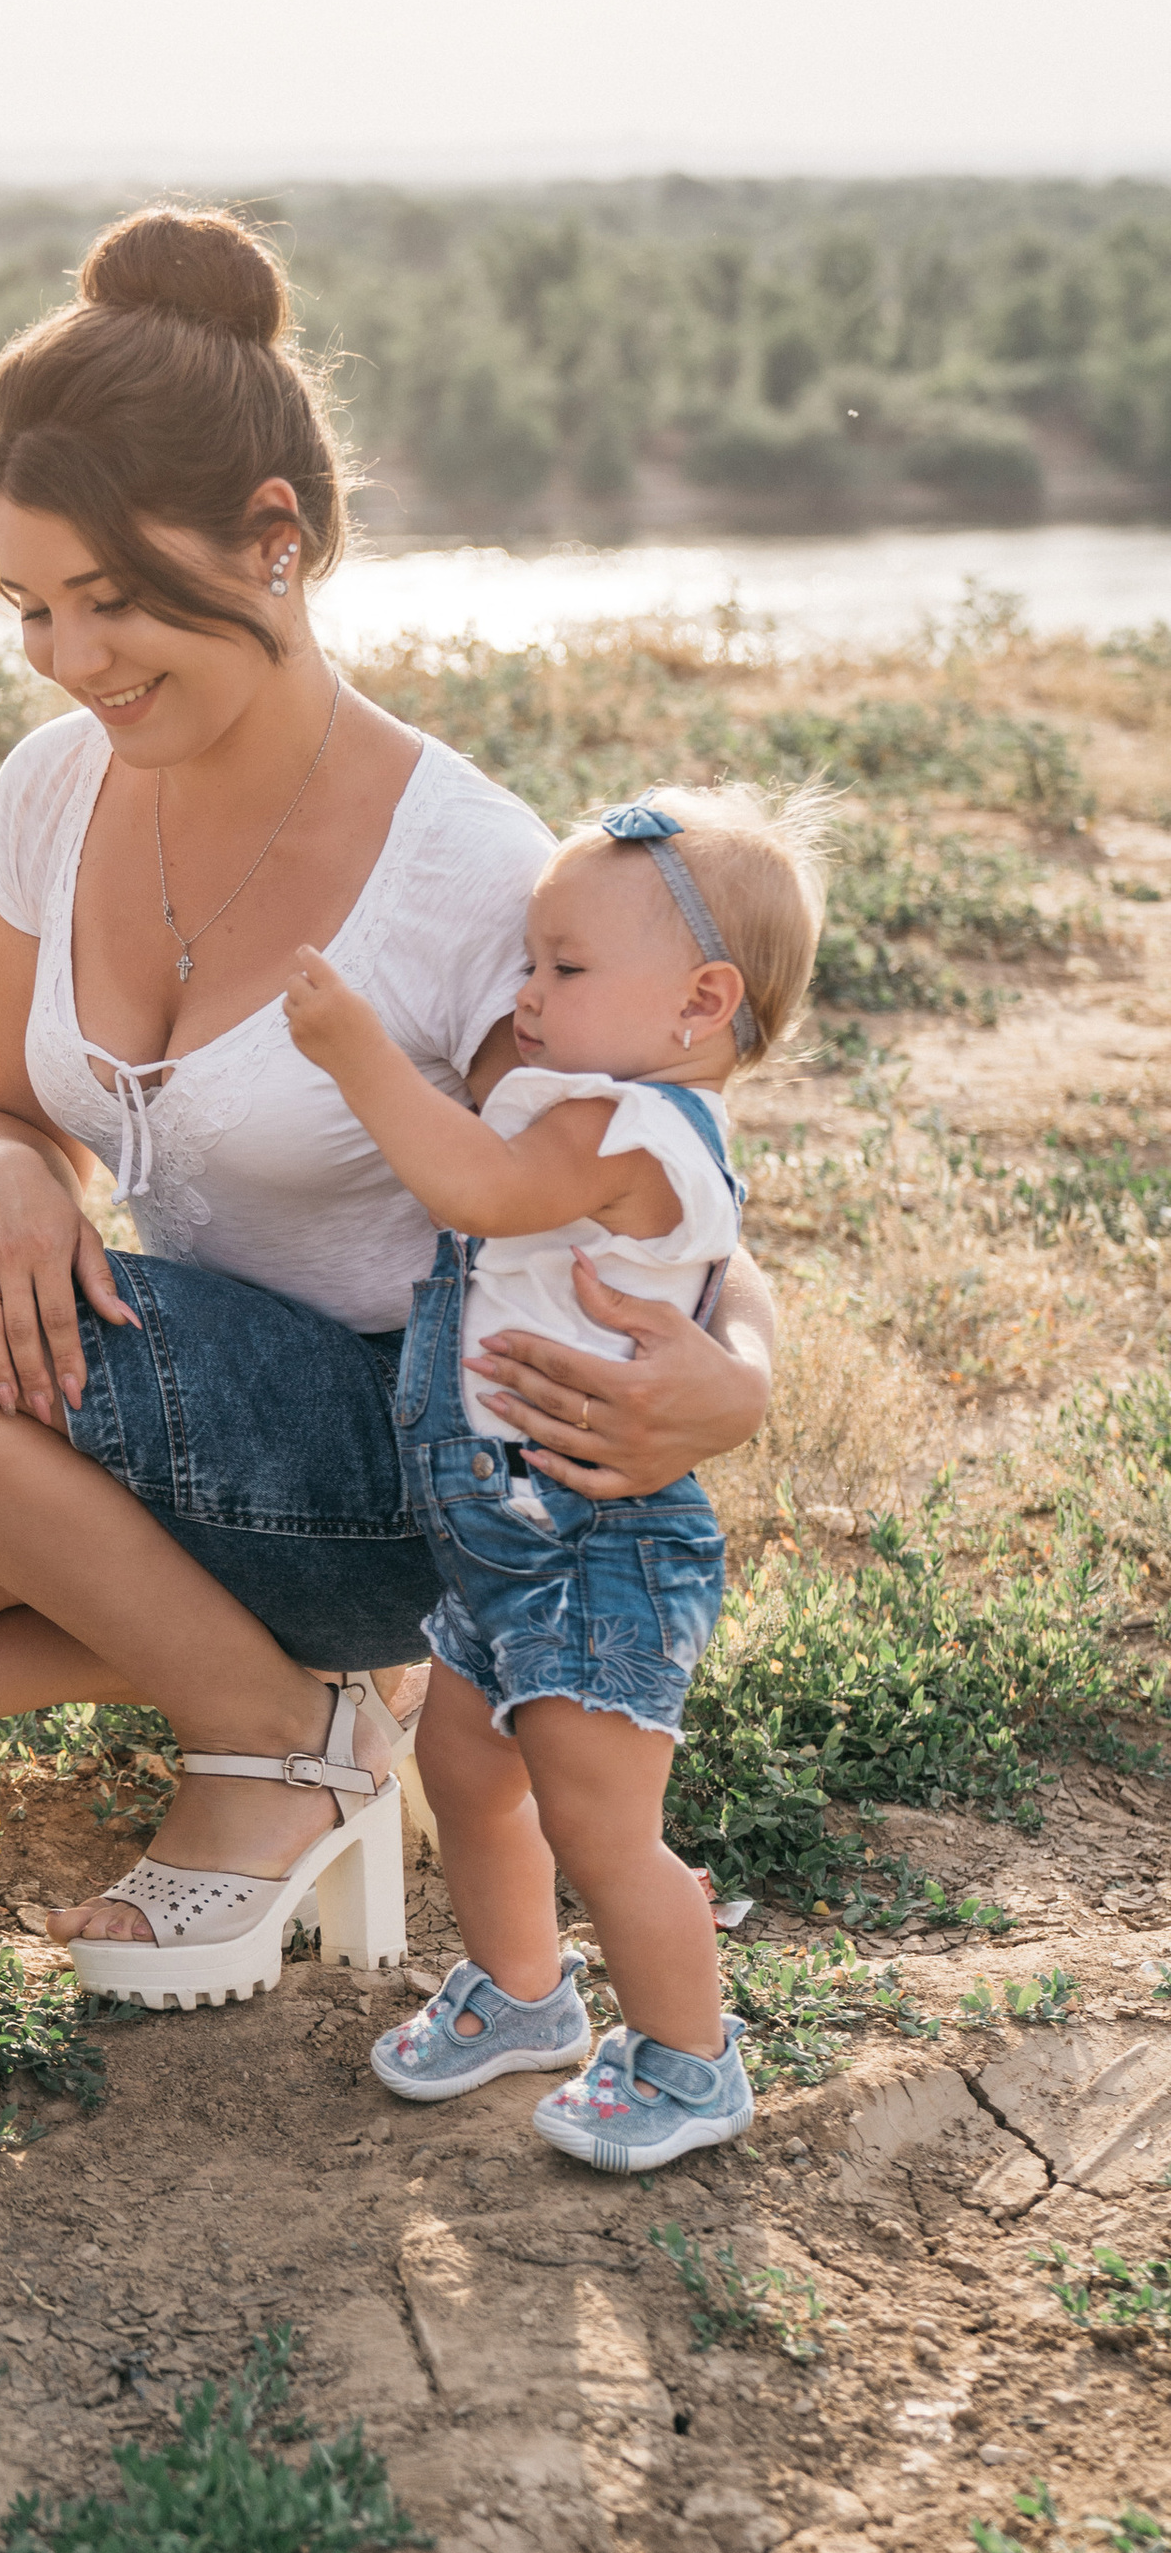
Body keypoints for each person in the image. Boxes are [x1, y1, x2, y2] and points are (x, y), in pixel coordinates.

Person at [0, 204, 780, 2007]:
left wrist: (742, 1372)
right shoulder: (54, 790)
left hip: (401, 1477)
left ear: (276, 541)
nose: (70, 656)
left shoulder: (466, 872)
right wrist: (6, 1179)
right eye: (31, 606)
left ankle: (280, 1731)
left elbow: (646, 1178)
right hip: (193, 1436)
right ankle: (236, 1682)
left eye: (111, 599)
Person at [286, 783, 826, 2171]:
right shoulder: (592, 1103)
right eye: (530, 962)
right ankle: (526, 1995)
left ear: (701, 1002)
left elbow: (473, 1187)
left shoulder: (627, 1137)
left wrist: (358, 1053)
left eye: (564, 968)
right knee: (465, 1768)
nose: (527, 996)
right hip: (506, 1537)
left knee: (600, 1820)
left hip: (597, 1541)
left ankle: (692, 2061)